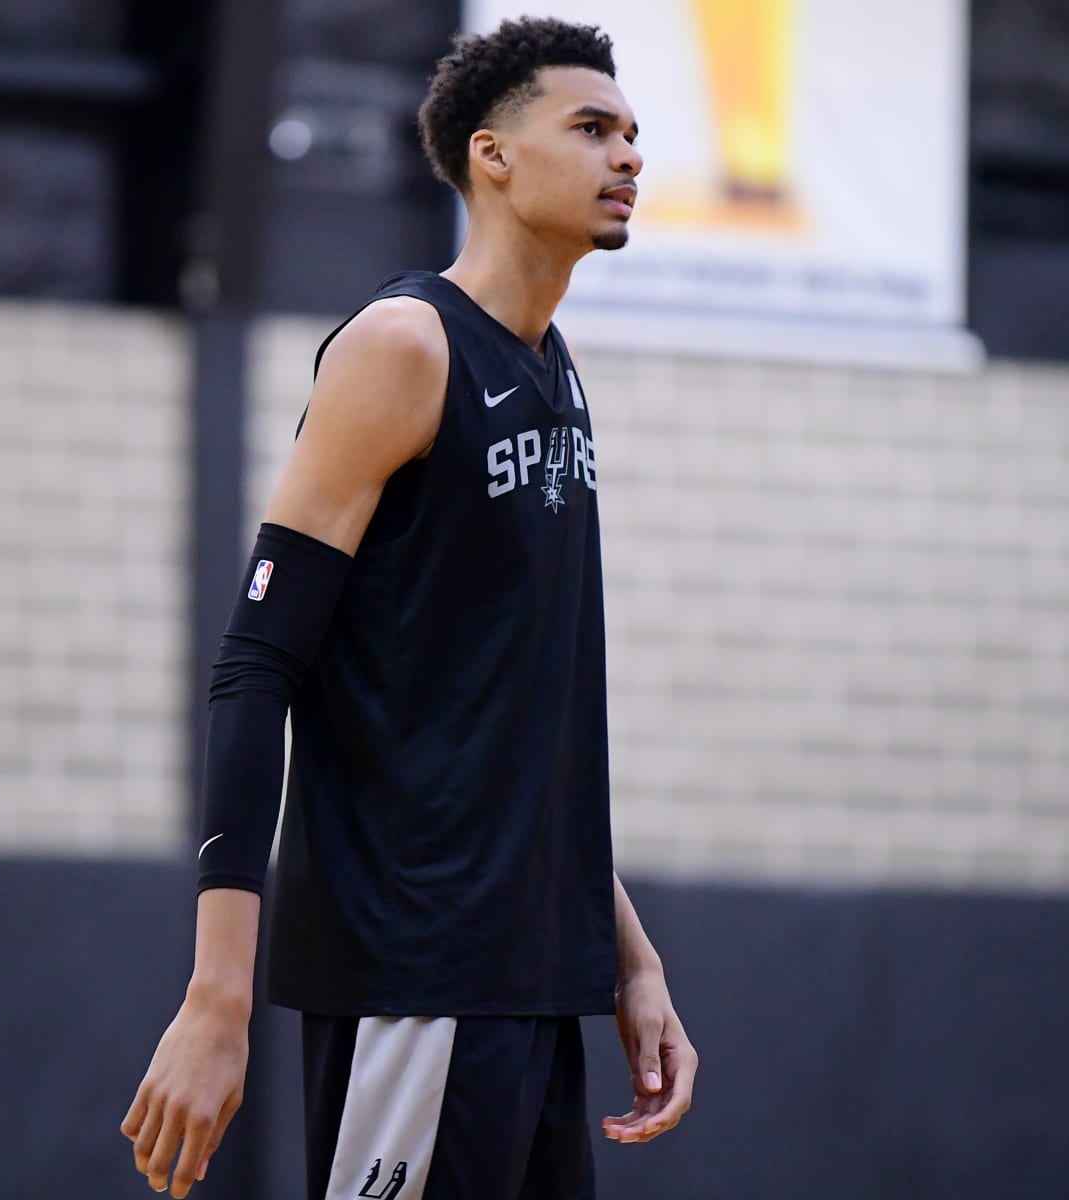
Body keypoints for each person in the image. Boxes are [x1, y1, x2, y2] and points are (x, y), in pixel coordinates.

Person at [121, 17, 697, 1199]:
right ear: (491, 156)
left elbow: (517, 739)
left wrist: (628, 960)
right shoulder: (405, 345)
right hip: (418, 982)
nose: (628, 155)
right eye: (592, 129)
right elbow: (253, 669)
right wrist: (214, 1001)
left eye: (634, 133)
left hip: (537, 983)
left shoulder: (556, 371)